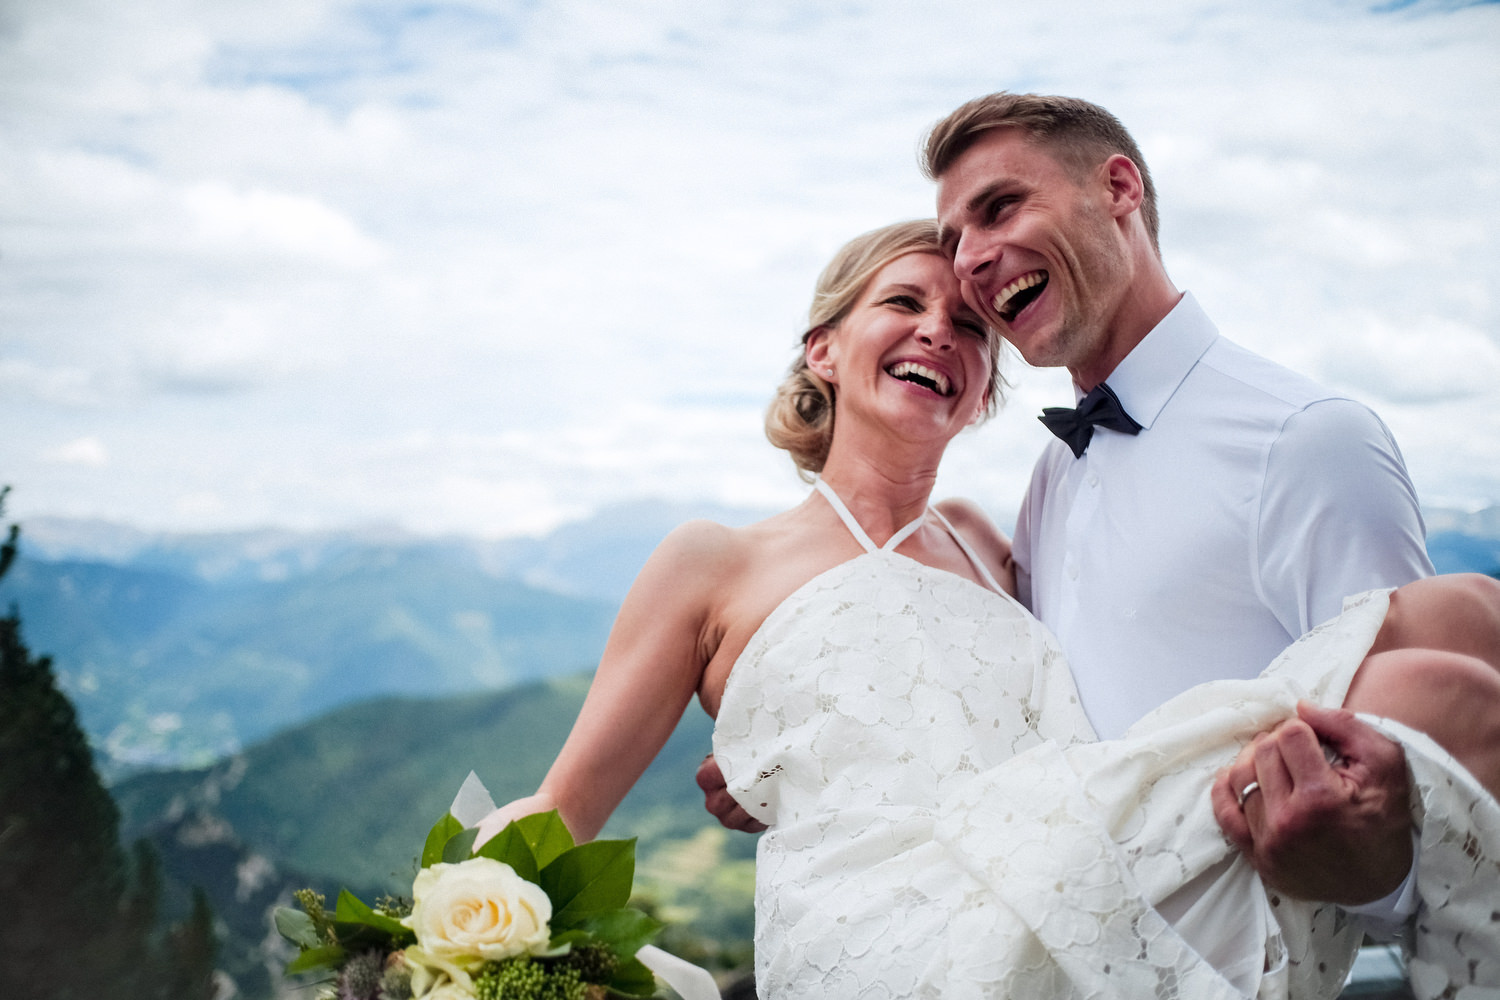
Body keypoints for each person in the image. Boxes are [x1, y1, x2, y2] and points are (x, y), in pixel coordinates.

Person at [476, 219, 1500, 998]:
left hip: (1065, 854)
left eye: (970, 327)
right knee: (1436, 681)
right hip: (890, 937)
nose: (940, 331)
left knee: (1463, 616)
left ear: (979, 399)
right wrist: (431, 930)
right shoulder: (717, 559)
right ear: (822, 349)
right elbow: (560, 810)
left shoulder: (987, 535)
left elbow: (1077, 687)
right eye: (902, 304)